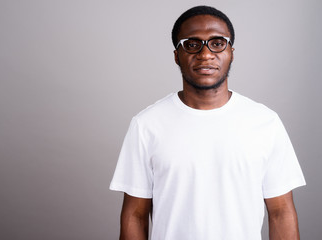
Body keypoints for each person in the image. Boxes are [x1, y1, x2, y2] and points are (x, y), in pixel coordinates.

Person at [110, 5, 306, 240]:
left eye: (217, 43)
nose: (205, 54)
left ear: (231, 52)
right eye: (192, 45)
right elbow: (135, 215)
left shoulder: (265, 122)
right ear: (176, 55)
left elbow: (281, 213)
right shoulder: (147, 125)